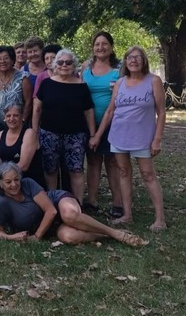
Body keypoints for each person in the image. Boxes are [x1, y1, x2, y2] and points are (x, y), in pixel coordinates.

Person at [93, 46, 167, 231]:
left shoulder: (153, 81)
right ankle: (127, 214)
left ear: (144, 61)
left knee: (148, 174)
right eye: (130, 57)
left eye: (137, 57)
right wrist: (98, 135)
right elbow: (110, 111)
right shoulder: (120, 83)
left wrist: (157, 139)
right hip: (119, 135)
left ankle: (160, 219)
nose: (133, 60)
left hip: (142, 137)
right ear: (125, 62)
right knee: (124, 172)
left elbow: (161, 112)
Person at [0, 162, 147, 246]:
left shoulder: (28, 183)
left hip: (57, 202)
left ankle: (116, 233)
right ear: (0, 184)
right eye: (8, 182)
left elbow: (51, 211)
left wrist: (37, 236)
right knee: (69, 237)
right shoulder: (0, 204)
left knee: (69, 215)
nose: (14, 185)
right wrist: (12, 237)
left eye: (16, 179)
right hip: (51, 227)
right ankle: (105, 235)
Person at [32, 49, 95, 204]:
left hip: (76, 135)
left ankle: (78, 204)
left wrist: (93, 135)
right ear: (55, 65)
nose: (64, 65)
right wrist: (34, 133)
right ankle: (53, 203)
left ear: (74, 65)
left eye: (68, 62)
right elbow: (37, 109)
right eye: (60, 62)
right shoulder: (47, 84)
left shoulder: (82, 86)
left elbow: (88, 112)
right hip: (49, 134)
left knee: (76, 170)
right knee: (50, 170)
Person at [82, 31, 122, 216]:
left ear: (111, 47)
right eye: (97, 44)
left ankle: (118, 203)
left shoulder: (120, 69)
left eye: (104, 44)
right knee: (93, 161)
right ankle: (92, 201)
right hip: (89, 122)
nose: (100, 47)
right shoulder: (86, 67)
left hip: (114, 122)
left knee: (113, 162)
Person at [0, 45, 32, 131]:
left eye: (6, 58)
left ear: (12, 60)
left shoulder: (23, 77)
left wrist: (22, 121)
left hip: (19, 126)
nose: (2, 61)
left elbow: (29, 102)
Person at [0, 103, 45, 188]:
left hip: (29, 183)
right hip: (7, 182)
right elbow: (0, 163)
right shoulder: (0, 135)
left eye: (16, 115)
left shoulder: (29, 133)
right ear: (5, 118)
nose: (11, 119)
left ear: (22, 117)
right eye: (8, 116)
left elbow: (23, 166)